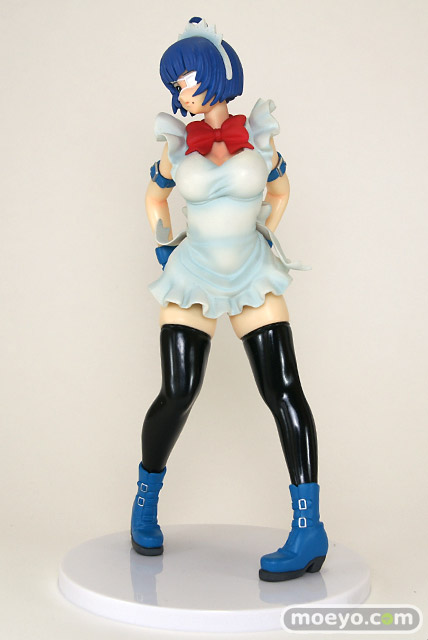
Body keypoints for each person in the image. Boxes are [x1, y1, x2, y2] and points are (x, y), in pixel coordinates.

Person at [131, 17, 328, 582]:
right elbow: (155, 197)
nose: (180, 93)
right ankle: (145, 500)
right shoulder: (177, 143)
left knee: (284, 389)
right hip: (193, 274)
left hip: (251, 275)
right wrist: (163, 246)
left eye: (185, 80)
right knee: (178, 393)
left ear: (214, 73)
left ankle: (309, 528)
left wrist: (265, 231)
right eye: (174, 86)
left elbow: (280, 189)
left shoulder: (259, 137)